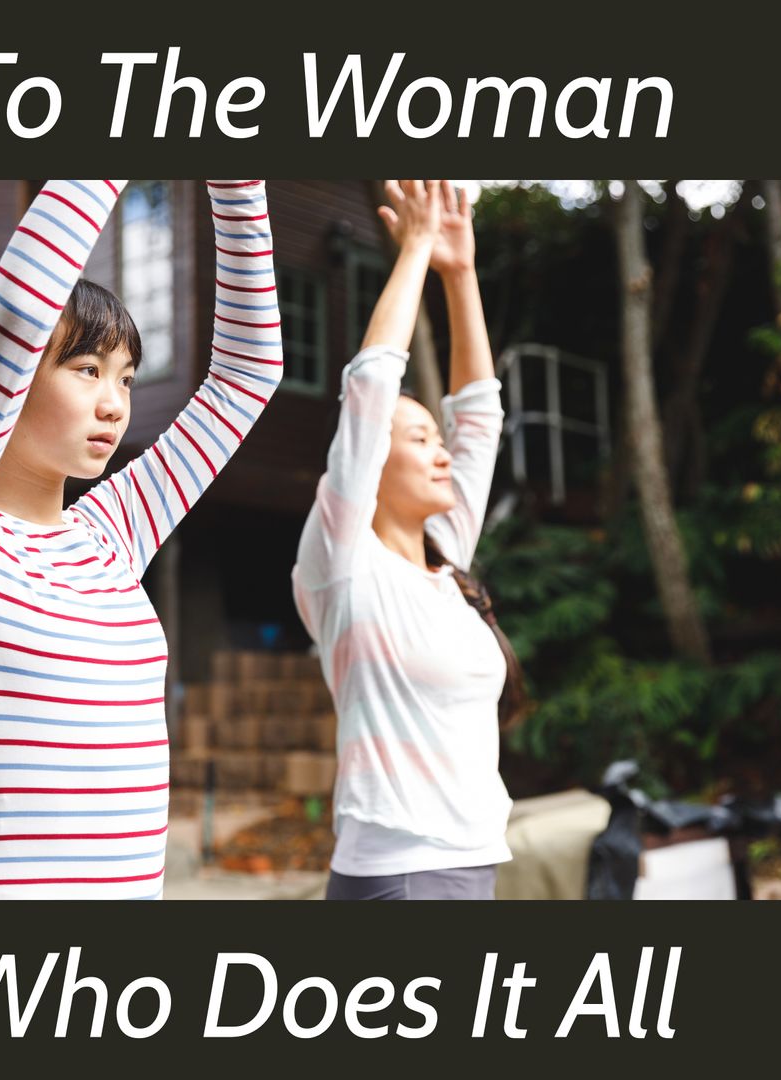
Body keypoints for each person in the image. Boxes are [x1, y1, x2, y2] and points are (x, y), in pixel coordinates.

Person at [0, 179, 282, 899]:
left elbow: (247, 375)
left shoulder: (111, 535)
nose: (114, 404)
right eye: (87, 370)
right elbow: (17, 313)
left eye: (126, 378)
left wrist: (238, 182)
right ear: (10, 380)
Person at [292, 179, 525, 900]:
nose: (442, 452)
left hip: (467, 864)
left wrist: (460, 274)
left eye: (437, 439)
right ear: (372, 462)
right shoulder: (342, 563)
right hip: (404, 874)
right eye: (420, 438)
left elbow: (479, 419)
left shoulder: (446, 559)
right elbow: (369, 388)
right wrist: (416, 249)